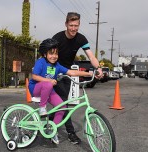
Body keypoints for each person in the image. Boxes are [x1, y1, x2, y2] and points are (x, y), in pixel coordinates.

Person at [28, 38, 93, 144]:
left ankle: (52, 131)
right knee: (48, 84)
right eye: (51, 53)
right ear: (45, 54)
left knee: (62, 107)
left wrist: (88, 74)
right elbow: (34, 76)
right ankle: (42, 108)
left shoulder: (57, 66)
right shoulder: (40, 62)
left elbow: (71, 72)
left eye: (56, 53)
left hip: (48, 90)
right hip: (36, 88)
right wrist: (48, 80)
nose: (54, 56)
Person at [52, 12, 103, 144]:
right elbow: (49, 57)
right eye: (71, 25)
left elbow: (91, 56)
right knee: (64, 104)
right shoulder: (57, 38)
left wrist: (98, 68)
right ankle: (70, 133)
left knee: (62, 104)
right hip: (56, 73)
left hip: (68, 74)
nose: (74, 28)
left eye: (76, 25)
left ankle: (49, 122)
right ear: (66, 24)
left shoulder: (81, 39)